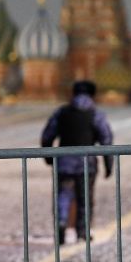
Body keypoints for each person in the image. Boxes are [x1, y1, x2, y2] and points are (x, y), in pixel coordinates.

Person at [41, 80, 113, 244]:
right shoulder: (96, 114)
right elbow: (106, 139)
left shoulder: (61, 112)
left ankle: (61, 222)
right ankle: (82, 232)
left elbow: (47, 135)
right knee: (85, 198)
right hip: (86, 163)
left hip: (64, 161)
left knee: (63, 194)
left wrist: (48, 157)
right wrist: (109, 164)